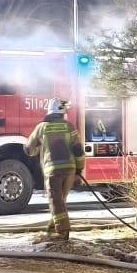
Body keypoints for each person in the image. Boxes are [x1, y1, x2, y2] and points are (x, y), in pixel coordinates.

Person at [26, 99, 80, 239]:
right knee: (61, 200)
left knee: (55, 200)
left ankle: (62, 231)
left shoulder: (42, 127)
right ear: (62, 112)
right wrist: (79, 170)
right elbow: (79, 150)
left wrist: (36, 150)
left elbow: (28, 148)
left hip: (53, 170)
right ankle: (52, 228)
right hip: (70, 170)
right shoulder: (70, 127)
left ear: (49, 111)